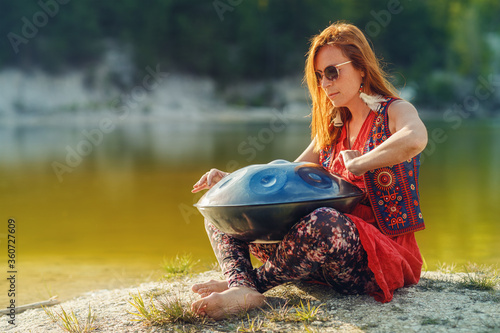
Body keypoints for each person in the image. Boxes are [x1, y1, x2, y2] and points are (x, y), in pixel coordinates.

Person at [190, 21, 428, 320]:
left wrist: (361, 162)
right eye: (319, 76)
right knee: (221, 211)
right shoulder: (332, 126)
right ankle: (242, 284)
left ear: (362, 68)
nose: (325, 83)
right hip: (319, 257)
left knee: (324, 221)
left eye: (333, 71)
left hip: (378, 258)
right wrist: (231, 183)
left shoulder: (394, 110)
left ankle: (251, 285)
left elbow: (415, 139)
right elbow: (289, 176)